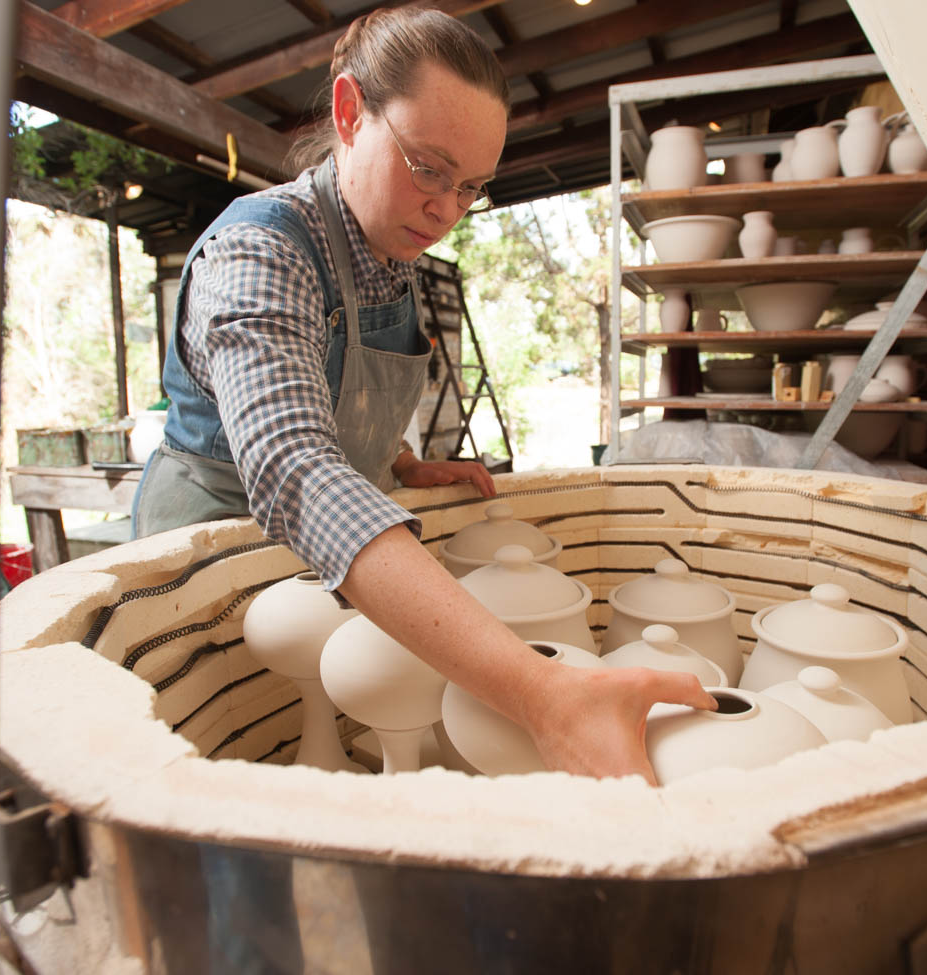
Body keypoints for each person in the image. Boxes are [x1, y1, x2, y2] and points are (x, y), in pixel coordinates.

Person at [133, 6, 715, 785]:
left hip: (324, 573)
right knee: (232, 782)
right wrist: (540, 693)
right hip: (211, 572)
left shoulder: (391, 257)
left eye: (471, 186)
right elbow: (294, 464)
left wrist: (400, 459)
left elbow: (339, 396)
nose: (446, 209)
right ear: (348, 112)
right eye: (428, 167)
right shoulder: (261, 251)